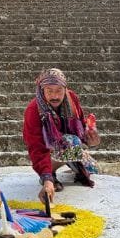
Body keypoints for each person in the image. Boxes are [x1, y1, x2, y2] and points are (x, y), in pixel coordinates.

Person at [22, 68, 100, 204]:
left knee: (92, 167)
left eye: (59, 90)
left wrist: (91, 140)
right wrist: (47, 179)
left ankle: (74, 165)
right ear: (42, 90)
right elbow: (36, 147)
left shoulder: (72, 99)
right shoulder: (33, 110)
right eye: (49, 91)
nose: (55, 96)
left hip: (67, 146)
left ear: (65, 89)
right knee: (71, 143)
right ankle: (49, 173)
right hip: (49, 147)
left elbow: (80, 130)